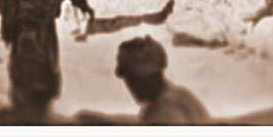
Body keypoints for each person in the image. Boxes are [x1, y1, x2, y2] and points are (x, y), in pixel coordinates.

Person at [76, 36, 210, 125]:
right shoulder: (180, 95)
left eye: (131, 80)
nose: (129, 87)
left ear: (144, 78)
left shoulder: (163, 113)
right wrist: (104, 121)